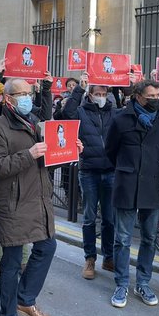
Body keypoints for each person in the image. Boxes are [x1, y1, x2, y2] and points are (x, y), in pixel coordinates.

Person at [0, 78, 80, 316]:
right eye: (21, 93)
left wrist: (68, 150)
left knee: (47, 247)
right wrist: (29, 154)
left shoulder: (35, 124)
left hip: (39, 200)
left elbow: (46, 162)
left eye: (30, 92)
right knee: (12, 261)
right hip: (14, 203)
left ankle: (25, 299)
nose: (27, 97)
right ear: (8, 99)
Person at [105, 79, 159, 308]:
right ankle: (121, 283)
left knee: (150, 237)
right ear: (138, 96)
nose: (155, 100)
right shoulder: (121, 118)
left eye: (157, 96)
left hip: (152, 185)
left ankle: (143, 282)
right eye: (150, 96)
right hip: (127, 184)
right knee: (122, 239)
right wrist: (127, 167)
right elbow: (110, 150)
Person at [60, 74, 118, 280]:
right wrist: (79, 89)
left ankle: (109, 257)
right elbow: (65, 114)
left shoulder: (114, 113)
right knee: (89, 218)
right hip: (89, 171)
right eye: (97, 94)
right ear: (90, 95)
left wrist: (125, 85)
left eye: (104, 93)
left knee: (110, 219)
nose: (101, 97)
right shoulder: (81, 112)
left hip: (110, 171)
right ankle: (90, 258)